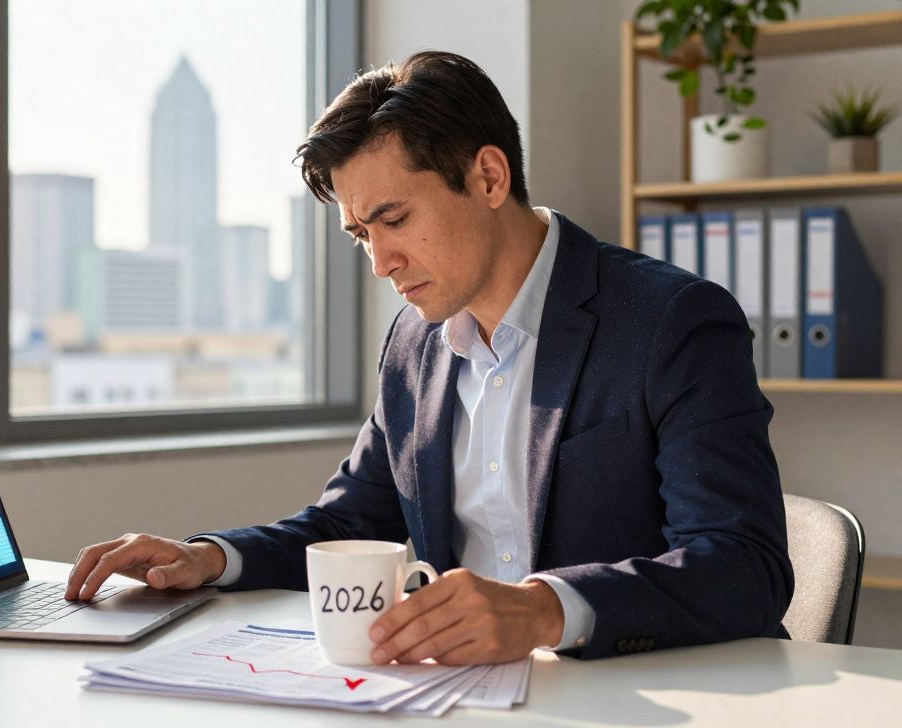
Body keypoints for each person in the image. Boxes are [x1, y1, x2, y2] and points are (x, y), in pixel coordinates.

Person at [65, 51, 793, 664]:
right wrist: (209, 559)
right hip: (467, 701)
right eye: (360, 234)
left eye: (395, 219)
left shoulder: (669, 321)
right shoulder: (413, 344)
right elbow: (350, 526)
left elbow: (743, 565)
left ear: (488, 177)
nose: (381, 262)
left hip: (652, 699)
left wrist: (545, 611)